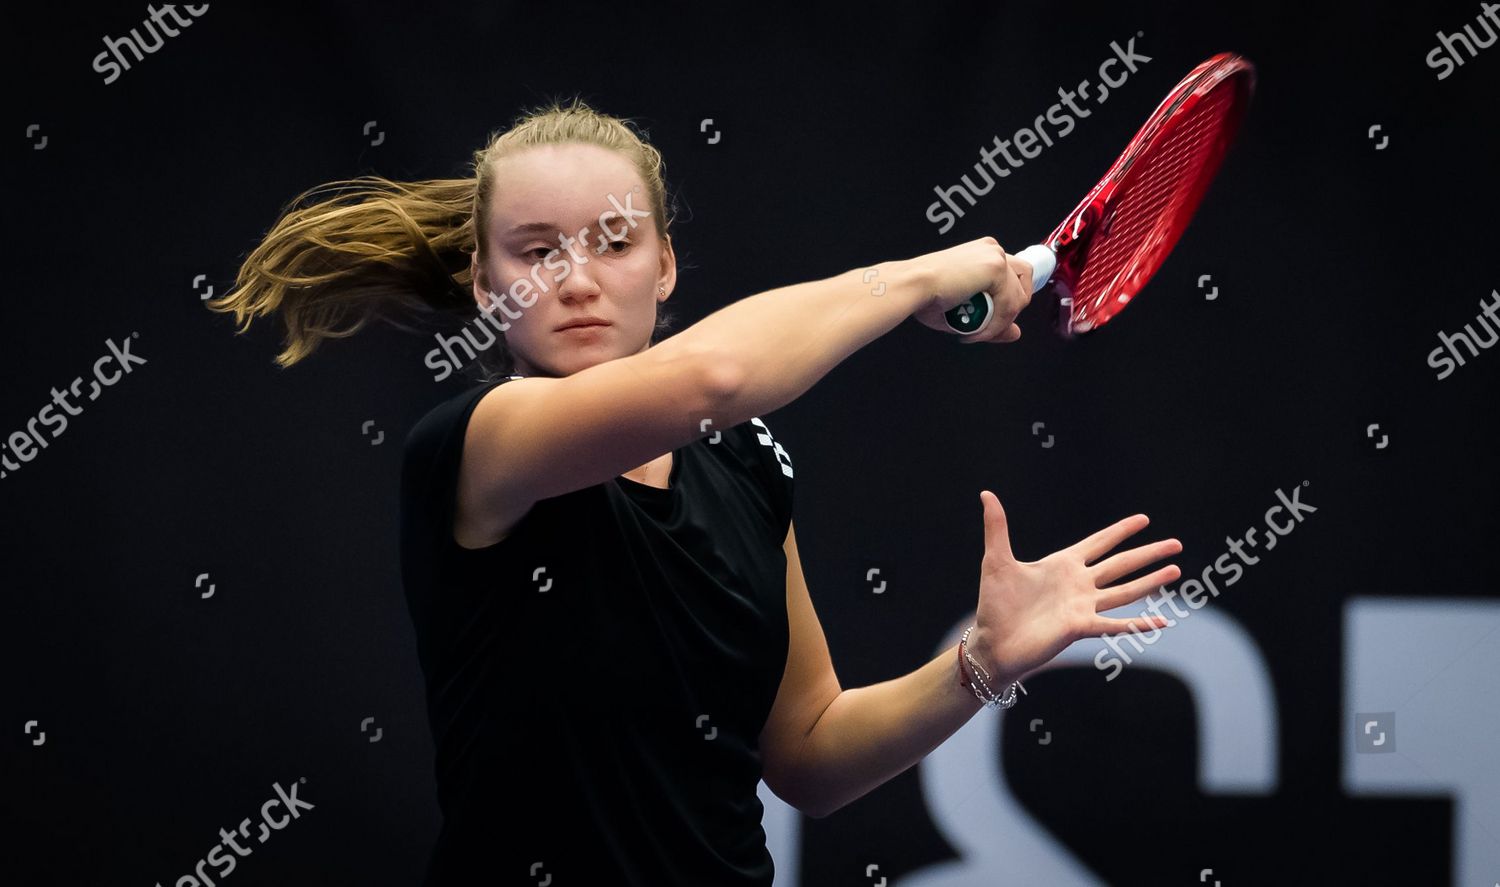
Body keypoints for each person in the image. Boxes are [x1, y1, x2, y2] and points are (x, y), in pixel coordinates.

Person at [206, 96, 1183, 886]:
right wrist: (916, 275)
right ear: (482, 278)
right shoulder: (480, 443)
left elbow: (809, 753)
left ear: (665, 264)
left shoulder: (748, 464)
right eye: (536, 249)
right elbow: (710, 377)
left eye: (615, 241)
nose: (577, 279)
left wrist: (978, 663)